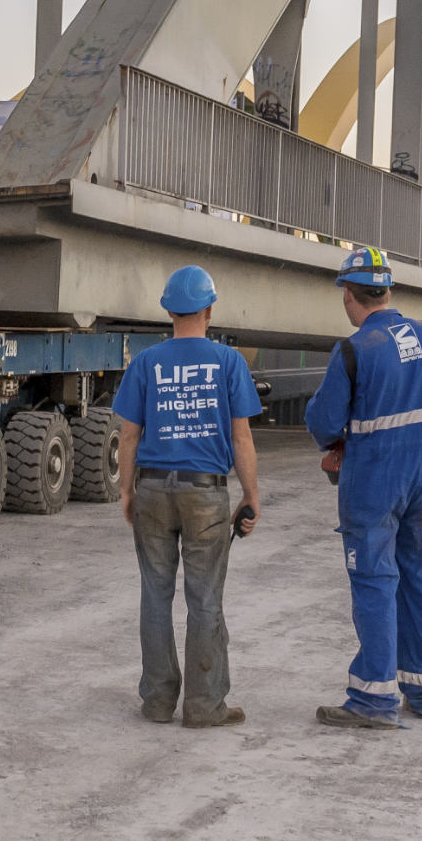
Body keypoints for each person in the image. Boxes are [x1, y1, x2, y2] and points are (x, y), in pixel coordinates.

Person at [304, 247, 422, 729]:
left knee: (374, 580)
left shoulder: (354, 349)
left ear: (349, 295)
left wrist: (355, 441)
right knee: (421, 578)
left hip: (375, 481)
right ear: (387, 290)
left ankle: (373, 698)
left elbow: (323, 423)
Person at [113, 264, 263, 728]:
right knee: (204, 600)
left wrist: (126, 491)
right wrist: (251, 496)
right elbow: (241, 439)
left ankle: (158, 701)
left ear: (168, 311)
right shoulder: (229, 363)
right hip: (205, 495)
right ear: (210, 309)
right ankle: (204, 705)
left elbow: (128, 436)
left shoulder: (145, 363)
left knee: (155, 597)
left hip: (154, 488)